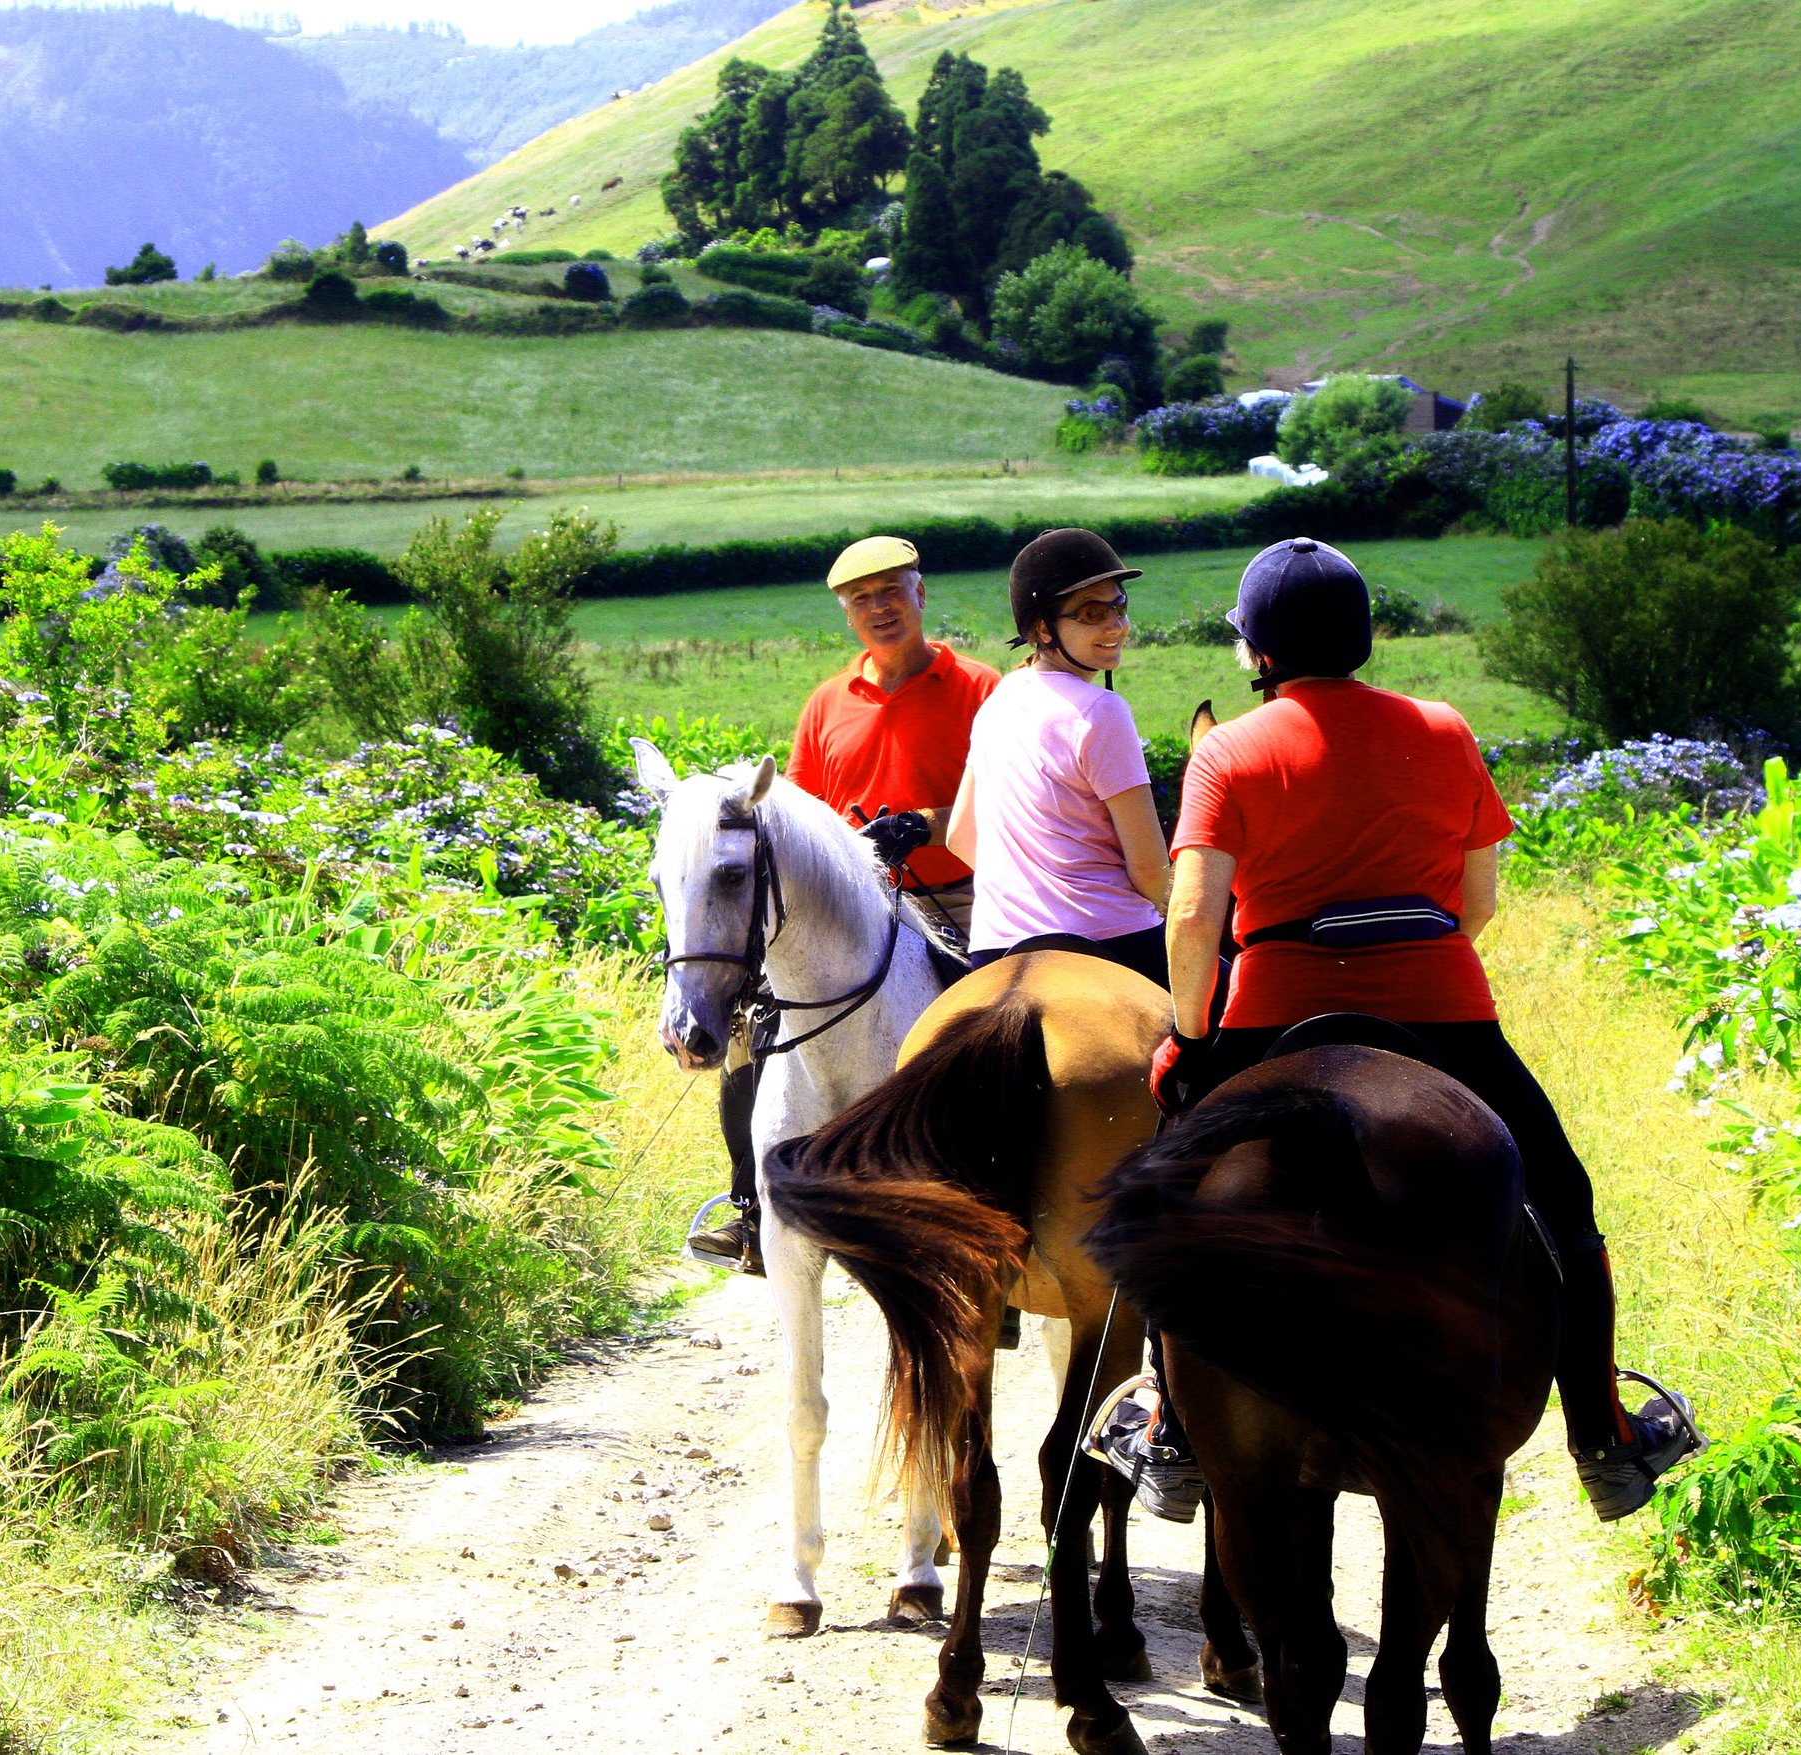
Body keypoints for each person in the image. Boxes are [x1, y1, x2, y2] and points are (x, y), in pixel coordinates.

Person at [1095, 536, 1701, 1524]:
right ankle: (1604, 1435)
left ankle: (1168, 1429)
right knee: (1562, 1206)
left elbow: (1194, 917)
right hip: (1442, 1006)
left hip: (1274, 1008)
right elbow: (1477, 903)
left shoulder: (1228, 750)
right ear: (1361, 636)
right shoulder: (1444, 728)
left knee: (1164, 1208)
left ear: (1257, 651)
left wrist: (1191, 1037)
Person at [684, 535, 1000, 1274]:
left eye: (892, 590)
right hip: (844, 904)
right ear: (847, 614)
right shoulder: (827, 702)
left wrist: (922, 823)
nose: (880, 608)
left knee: (996, 1022)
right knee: (748, 1028)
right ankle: (751, 1209)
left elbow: (1009, 801)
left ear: (921, 595)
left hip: (954, 890)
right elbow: (795, 811)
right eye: (863, 599)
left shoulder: (981, 688)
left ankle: (996, 1201)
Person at [942, 528, 1170, 986]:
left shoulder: (997, 701)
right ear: (1043, 628)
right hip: (1110, 940)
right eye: (1092, 613)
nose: (1116, 626)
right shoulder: (1102, 711)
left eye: (1119, 606)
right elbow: (1147, 866)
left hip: (994, 951)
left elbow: (959, 836)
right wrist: (1191, 908)